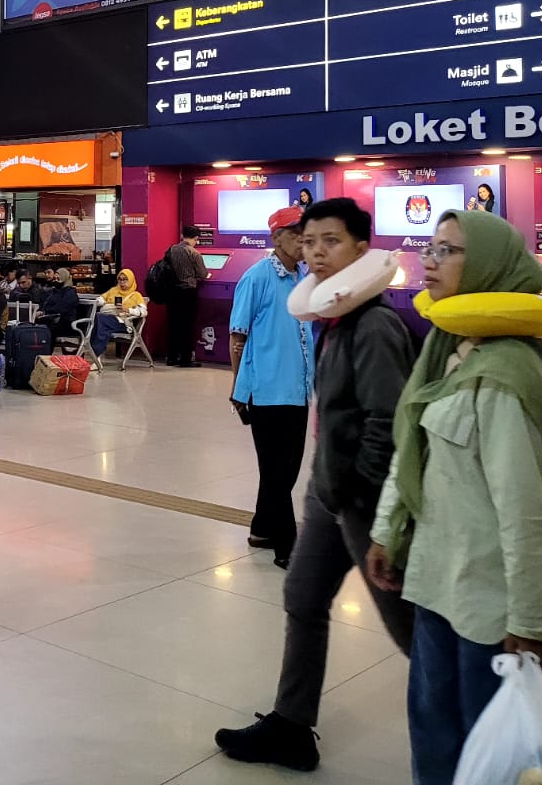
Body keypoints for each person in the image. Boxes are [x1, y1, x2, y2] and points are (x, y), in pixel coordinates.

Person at [367, 210, 542, 785]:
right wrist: (387, 530)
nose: (430, 259)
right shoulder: (445, 349)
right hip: (433, 580)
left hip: (489, 604)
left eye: (449, 251)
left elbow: (527, 511)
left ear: (487, 266)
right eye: (430, 247)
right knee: (433, 725)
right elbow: (414, 453)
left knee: (491, 744)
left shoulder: (506, 373)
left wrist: (531, 619)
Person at [216, 198, 415, 771]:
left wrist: (359, 495)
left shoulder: (374, 325)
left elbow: (389, 422)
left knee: (412, 631)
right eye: (310, 242)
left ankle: (474, 722)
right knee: (302, 600)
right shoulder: (332, 317)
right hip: (329, 496)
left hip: (362, 503)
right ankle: (291, 724)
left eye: (331, 241)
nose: (317, 252)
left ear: (360, 248)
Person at [228, 207, 314, 568]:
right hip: (264, 390)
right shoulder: (257, 278)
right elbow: (237, 335)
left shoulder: (305, 277)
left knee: (287, 468)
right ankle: (286, 547)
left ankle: (262, 528)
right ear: (276, 237)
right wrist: (239, 389)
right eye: (295, 233)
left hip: (297, 388)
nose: (302, 241)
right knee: (278, 470)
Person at [165, 225, 210, 367]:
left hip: (172, 292)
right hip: (188, 293)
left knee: (174, 325)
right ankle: (185, 358)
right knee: (187, 326)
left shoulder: (172, 250)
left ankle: (172, 357)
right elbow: (203, 274)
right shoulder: (194, 253)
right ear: (196, 238)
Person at [92, 269, 145, 356]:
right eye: (120, 279)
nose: (122, 282)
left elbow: (143, 312)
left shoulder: (136, 295)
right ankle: (96, 356)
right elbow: (100, 299)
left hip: (123, 322)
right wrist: (102, 302)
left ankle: (96, 356)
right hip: (107, 320)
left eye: (125, 279)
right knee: (101, 326)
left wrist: (128, 310)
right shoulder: (113, 290)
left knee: (99, 319)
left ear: (131, 280)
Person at [38, 267, 80, 340]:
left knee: (47, 329)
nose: (56, 281)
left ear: (65, 279)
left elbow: (61, 308)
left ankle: (46, 350)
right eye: (54, 279)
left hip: (66, 323)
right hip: (53, 319)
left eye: (58, 279)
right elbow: (46, 304)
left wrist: (45, 312)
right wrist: (42, 312)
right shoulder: (54, 291)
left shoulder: (70, 293)